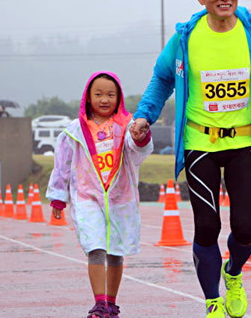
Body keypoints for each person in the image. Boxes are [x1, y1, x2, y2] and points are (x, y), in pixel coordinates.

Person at [131, 0, 251, 318]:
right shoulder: (185, 38)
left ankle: (234, 273)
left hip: (243, 145)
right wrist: (144, 115)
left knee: (245, 230)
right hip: (199, 144)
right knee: (207, 227)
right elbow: (162, 79)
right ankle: (211, 300)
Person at [46, 71, 153, 318]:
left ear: (119, 98)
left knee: (116, 251)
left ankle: (112, 303)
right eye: (99, 94)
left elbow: (137, 152)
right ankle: (100, 303)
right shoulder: (74, 131)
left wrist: (140, 137)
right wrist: (58, 197)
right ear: (88, 97)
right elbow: (62, 164)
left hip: (120, 198)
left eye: (110, 94)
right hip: (87, 198)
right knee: (95, 248)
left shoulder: (126, 126)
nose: (104, 99)